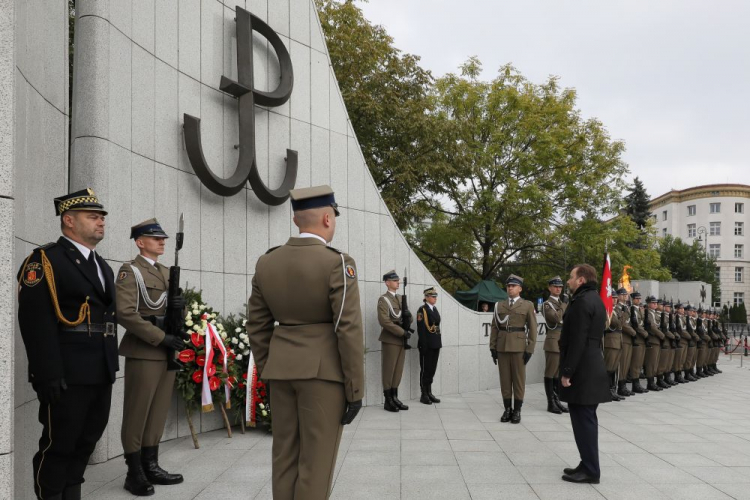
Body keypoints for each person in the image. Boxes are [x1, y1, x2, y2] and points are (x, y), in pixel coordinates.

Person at [246, 185, 364, 500]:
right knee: (316, 464)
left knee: (284, 457)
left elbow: (256, 324)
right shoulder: (337, 262)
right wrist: (355, 389)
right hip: (323, 375)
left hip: (281, 371)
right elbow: (347, 327)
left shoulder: (266, 262)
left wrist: (269, 368)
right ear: (327, 218)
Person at [17, 189, 119, 500]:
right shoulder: (45, 260)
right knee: (58, 444)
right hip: (67, 373)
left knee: (87, 440)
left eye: (102, 216)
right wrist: (46, 374)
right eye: (93, 216)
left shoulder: (102, 265)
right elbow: (35, 322)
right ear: (69, 221)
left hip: (99, 370)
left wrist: (109, 366)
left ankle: (71, 494)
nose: (101, 221)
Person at [116, 219, 184, 496]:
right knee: (138, 412)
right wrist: (160, 338)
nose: (162, 242)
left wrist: (180, 306)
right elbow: (125, 313)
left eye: (163, 239)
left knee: (157, 412)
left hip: (167, 352)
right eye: (155, 239)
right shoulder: (130, 271)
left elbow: (169, 311)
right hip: (145, 350)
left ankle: (150, 465)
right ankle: (134, 472)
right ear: (139, 242)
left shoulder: (167, 272)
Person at [559, 264, 610, 484]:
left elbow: (578, 340)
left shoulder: (582, 302)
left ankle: (591, 470)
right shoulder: (595, 299)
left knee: (584, 421)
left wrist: (567, 371)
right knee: (584, 419)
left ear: (581, 280)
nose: (568, 281)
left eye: (571, 277)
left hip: (583, 370)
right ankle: (587, 462)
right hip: (591, 365)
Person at [489, 274, 537, 424]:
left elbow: (533, 328)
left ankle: (517, 410)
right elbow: (495, 327)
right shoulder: (500, 305)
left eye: (513, 286)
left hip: (519, 347)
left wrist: (530, 349)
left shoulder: (527, 305)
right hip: (502, 347)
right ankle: (507, 409)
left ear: (520, 288)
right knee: (505, 380)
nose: (510, 288)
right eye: (509, 286)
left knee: (518, 380)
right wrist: (493, 347)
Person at [378, 270, 411, 412]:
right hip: (391, 339)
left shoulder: (400, 298)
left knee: (398, 370)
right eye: (395, 280)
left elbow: (406, 317)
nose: (398, 282)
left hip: (401, 340)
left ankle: (395, 397)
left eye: (398, 280)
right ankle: (388, 400)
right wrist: (401, 332)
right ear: (387, 282)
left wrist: (408, 318)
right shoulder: (383, 299)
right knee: (389, 370)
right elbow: (384, 321)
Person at [541, 276, 568, 414]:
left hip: (563, 339)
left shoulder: (562, 303)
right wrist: (564, 304)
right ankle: (550, 403)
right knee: (550, 373)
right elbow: (557, 318)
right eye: (555, 286)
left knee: (558, 373)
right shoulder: (547, 304)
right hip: (553, 340)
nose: (558, 289)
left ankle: (557, 400)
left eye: (560, 286)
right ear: (550, 288)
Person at [416, 287, 442, 405]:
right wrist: (423, 345)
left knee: (432, 369)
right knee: (425, 369)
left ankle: (429, 392)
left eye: (435, 296)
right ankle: (424, 394)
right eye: (432, 296)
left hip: (435, 342)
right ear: (426, 297)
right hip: (427, 344)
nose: (435, 298)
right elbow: (421, 329)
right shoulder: (422, 310)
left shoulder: (434, 309)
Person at [603, 287, 623, 402]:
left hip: (618, 340)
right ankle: (606, 390)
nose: (615, 300)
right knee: (609, 367)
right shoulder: (608, 311)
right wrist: (622, 315)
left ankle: (612, 389)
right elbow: (617, 323)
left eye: (616, 298)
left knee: (614, 367)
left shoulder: (616, 310)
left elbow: (622, 323)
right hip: (611, 341)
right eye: (612, 298)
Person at [615, 289, 635, 397]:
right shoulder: (618, 308)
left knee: (627, 363)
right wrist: (632, 331)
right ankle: (620, 386)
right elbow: (622, 324)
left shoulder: (627, 308)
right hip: (624, 337)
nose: (624, 297)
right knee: (622, 364)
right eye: (622, 295)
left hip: (629, 339)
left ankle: (623, 385)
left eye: (625, 295)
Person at [628, 292, 649, 394]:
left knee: (639, 363)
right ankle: (635, 384)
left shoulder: (639, 310)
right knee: (635, 363)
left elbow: (642, 322)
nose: (639, 300)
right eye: (637, 299)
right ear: (632, 299)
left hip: (641, 339)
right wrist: (645, 334)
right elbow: (636, 325)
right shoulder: (631, 309)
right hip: (637, 338)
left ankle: (637, 384)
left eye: (640, 298)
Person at [644, 296, 665, 391]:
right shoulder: (648, 313)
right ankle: (650, 382)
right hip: (652, 339)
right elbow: (652, 326)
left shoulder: (655, 313)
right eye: (653, 303)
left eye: (656, 303)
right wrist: (662, 335)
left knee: (655, 363)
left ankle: (653, 381)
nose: (655, 304)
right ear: (648, 304)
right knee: (651, 363)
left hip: (657, 340)